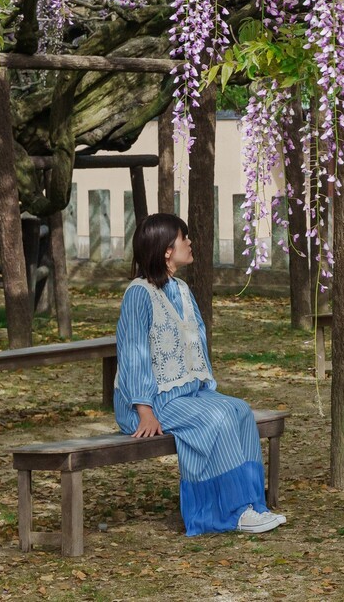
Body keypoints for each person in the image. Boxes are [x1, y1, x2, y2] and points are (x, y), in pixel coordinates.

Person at [113, 212, 285, 535]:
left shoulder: (181, 290)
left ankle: (252, 504)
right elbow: (132, 353)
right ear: (166, 250)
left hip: (188, 393)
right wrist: (144, 411)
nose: (190, 242)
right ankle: (232, 512)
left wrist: (207, 389)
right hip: (151, 402)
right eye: (183, 238)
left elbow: (196, 342)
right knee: (217, 419)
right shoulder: (139, 294)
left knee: (238, 411)